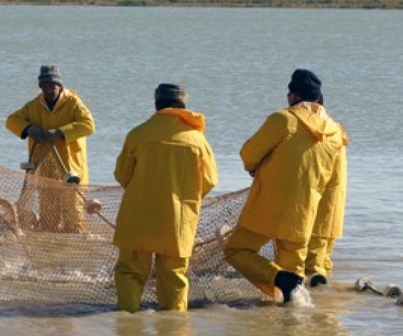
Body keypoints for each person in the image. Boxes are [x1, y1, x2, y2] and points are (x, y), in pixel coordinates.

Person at [224, 69, 348, 303]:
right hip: (304, 215)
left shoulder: (283, 119)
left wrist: (254, 167)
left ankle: (277, 277)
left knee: (237, 251)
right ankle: (293, 326)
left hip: (268, 207)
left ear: (293, 96)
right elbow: (333, 181)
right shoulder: (334, 131)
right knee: (294, 284)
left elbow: (249, 153)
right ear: (318, 98)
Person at [112, 84, 218, 312]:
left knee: (129, 272)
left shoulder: (138, 134)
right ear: (183, 106)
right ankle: (174, 335)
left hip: (137, 217)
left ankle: (128, 327)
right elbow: (209, 181)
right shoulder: (197, 140)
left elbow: (122, 175)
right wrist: (185, 197)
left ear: (157, 105)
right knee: (174, 277)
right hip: (177, 221)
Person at [6, 65, 95, 232]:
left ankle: (75, 249)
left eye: (52, 85)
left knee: (74, 220)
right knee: (48, 220)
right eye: (44, 85)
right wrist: (29, 129)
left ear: (60, 86)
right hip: (45, 170)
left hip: (71, 169)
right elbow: (11, 121)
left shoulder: (73, 103)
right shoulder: (33, 106)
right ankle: (50, 249)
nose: (48, 89)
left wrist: (61, 132)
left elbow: (89, 125)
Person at [305, 114, 349, 287]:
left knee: (314, 259)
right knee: (324, 253)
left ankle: (316, 290)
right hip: (336, 201)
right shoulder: (336, 132)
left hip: (324, 199)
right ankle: (326, 294)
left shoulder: (322, 134)